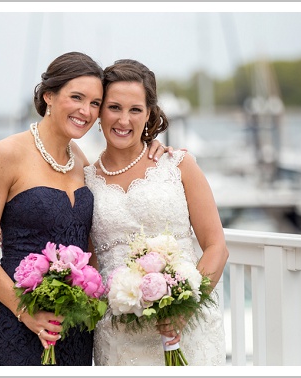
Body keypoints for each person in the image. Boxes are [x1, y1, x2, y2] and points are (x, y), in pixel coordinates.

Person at [0, 52, 170, 365]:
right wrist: (25, 310)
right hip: (21, 319)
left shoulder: (81, 160)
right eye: (76, 97)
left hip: (76, 322)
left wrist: (155, 147)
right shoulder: (6, 153)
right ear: (49, 95)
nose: (85, 111)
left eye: (95, 103)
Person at [85, 59, 229, 365]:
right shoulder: (85, 181)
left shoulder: (178, 165)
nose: (124, 120)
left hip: (186, 330)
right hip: (119, 338)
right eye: (114, 107)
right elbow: (88, 260)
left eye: (135, 109)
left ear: (149, 113)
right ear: (99, 112)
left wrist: (185, 308)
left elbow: (217, 246)